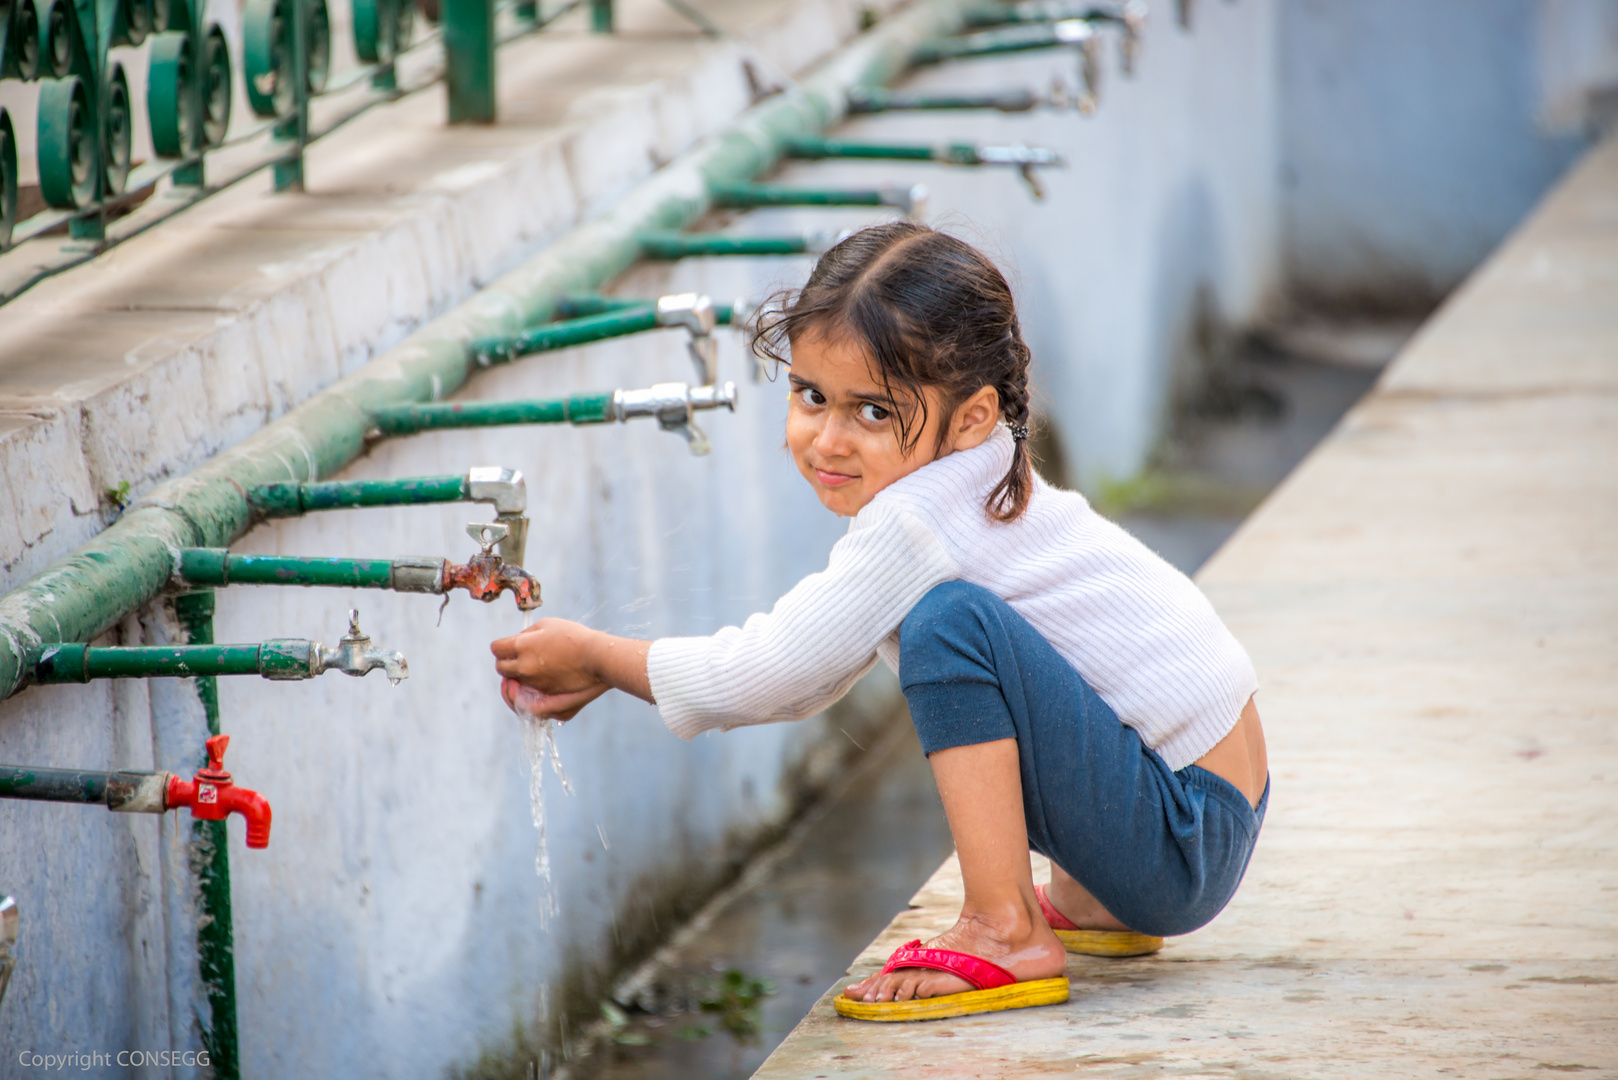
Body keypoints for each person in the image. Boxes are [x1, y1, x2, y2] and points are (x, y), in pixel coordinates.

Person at [491, 221, 1269, 1022]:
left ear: (972, 414)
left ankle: (1005, 928)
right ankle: (1093, 896)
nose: (827, 439)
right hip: (1221, 802)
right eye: (810, 396)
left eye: (871, 411)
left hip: (1180, 843)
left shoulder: (914, 521)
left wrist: (597, 656)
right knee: (982, 628)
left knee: (946, 626)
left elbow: (773, 674)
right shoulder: (984, 461)